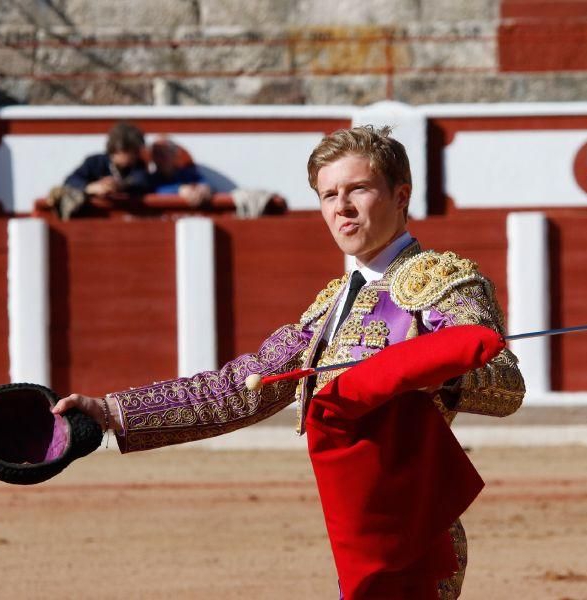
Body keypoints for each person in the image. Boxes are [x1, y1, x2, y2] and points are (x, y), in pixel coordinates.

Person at [53, 125, 526, 599]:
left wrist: (424, 372)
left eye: (357, 189)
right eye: (328, 194)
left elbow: (505, 383)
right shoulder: (326, 310)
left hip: (417, 518)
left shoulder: (442, 280)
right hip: (355, 520)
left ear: (400, 195)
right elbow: (240, 389)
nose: (341, 207)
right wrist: (111, 411)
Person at [46, 122, 150, 219]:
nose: (136, 156)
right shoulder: (94, 163)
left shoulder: (138, 166)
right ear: (119, 150)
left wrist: (119, 185)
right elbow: (71, 181)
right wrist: (90, 188)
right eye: (133, 152)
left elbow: (141, 182)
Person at [149, 138, 213, 207]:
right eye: (157, 154)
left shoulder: (187, 174)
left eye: (166, 153)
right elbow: (152, 191)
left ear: (175, 155)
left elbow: (206, 184)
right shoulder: (149, 179)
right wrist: (179, 190)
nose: (162, 158)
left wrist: (204, 189)